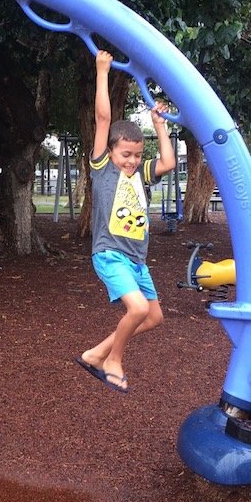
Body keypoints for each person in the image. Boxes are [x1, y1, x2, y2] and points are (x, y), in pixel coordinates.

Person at [75, 49, 176, 393]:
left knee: (154, 316)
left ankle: (96, 353)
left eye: (136, 155)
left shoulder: (141, 174)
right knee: (136, 308)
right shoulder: (103, 169)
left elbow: (168, 163)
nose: (131, 161)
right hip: (110, 254)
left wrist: (159, 126)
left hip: (137, 260)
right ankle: (113, 360)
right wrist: (102, 71)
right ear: (111, 153)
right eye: (125, 155)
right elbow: (103, 120)